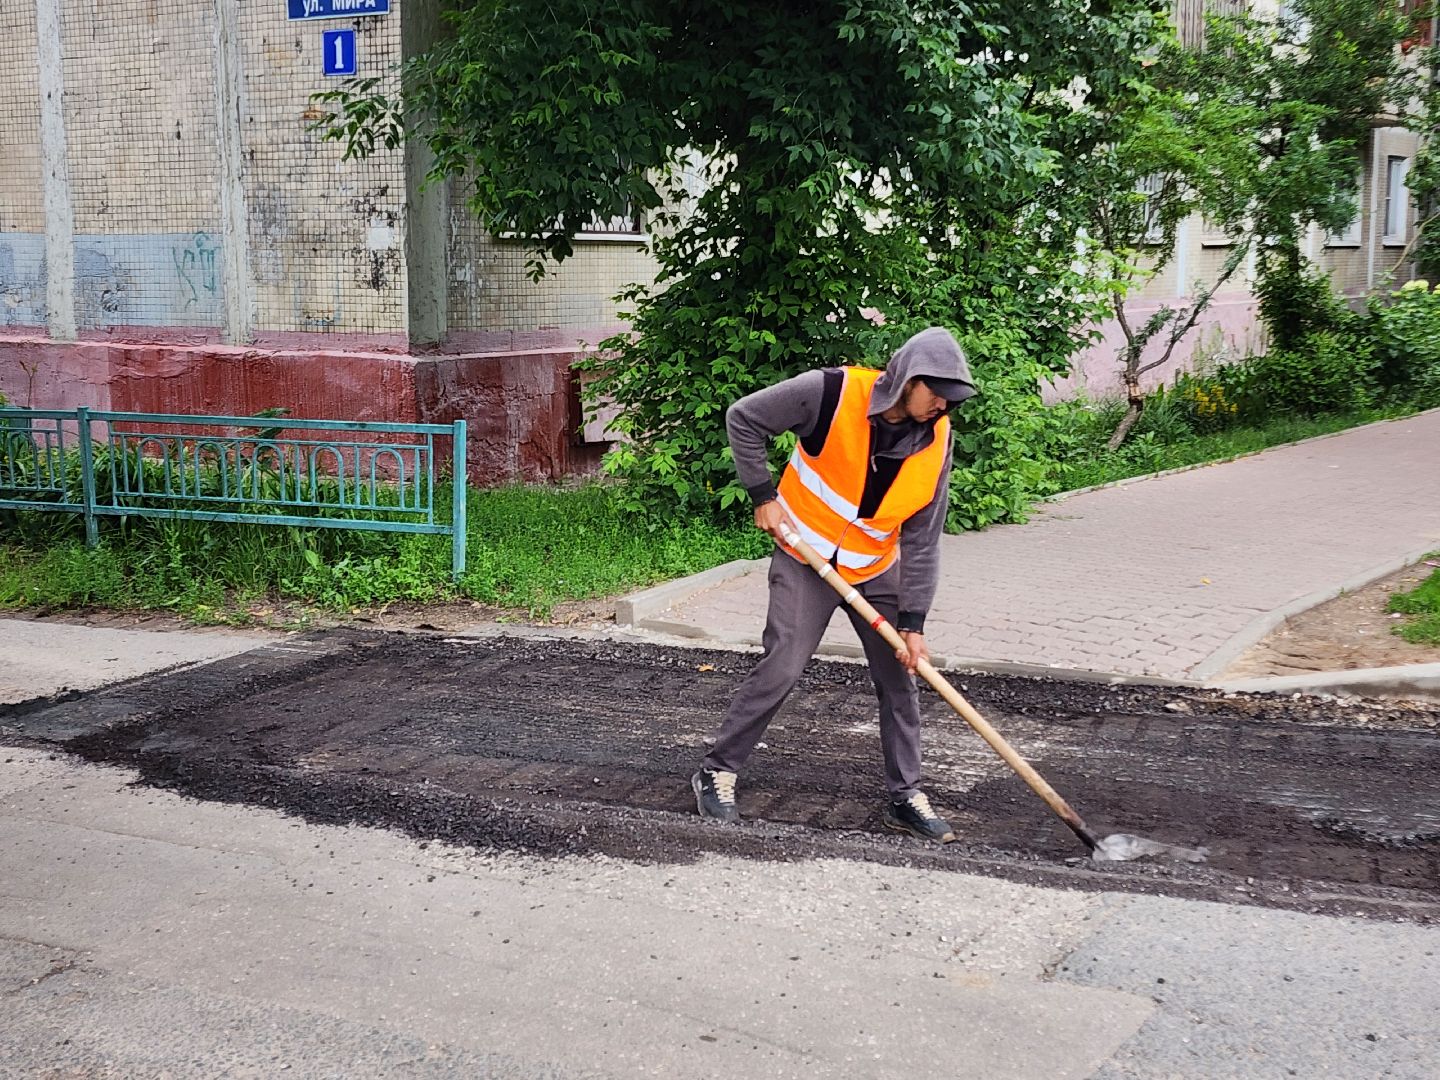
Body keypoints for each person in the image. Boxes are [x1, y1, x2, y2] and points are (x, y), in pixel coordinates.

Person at [692, 326, 977, 842]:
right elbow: (744, 418)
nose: (941, 405)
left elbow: (923, 539)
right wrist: (763, 495)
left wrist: (913, 624)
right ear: (906, 379)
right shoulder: (830, 392)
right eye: (934, 392)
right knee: (783, 663)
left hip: (873, 566)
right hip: (806, 555)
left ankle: (905, 795)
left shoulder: (938, 438)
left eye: (949, 398)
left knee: (901, 676)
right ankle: (717, 769)